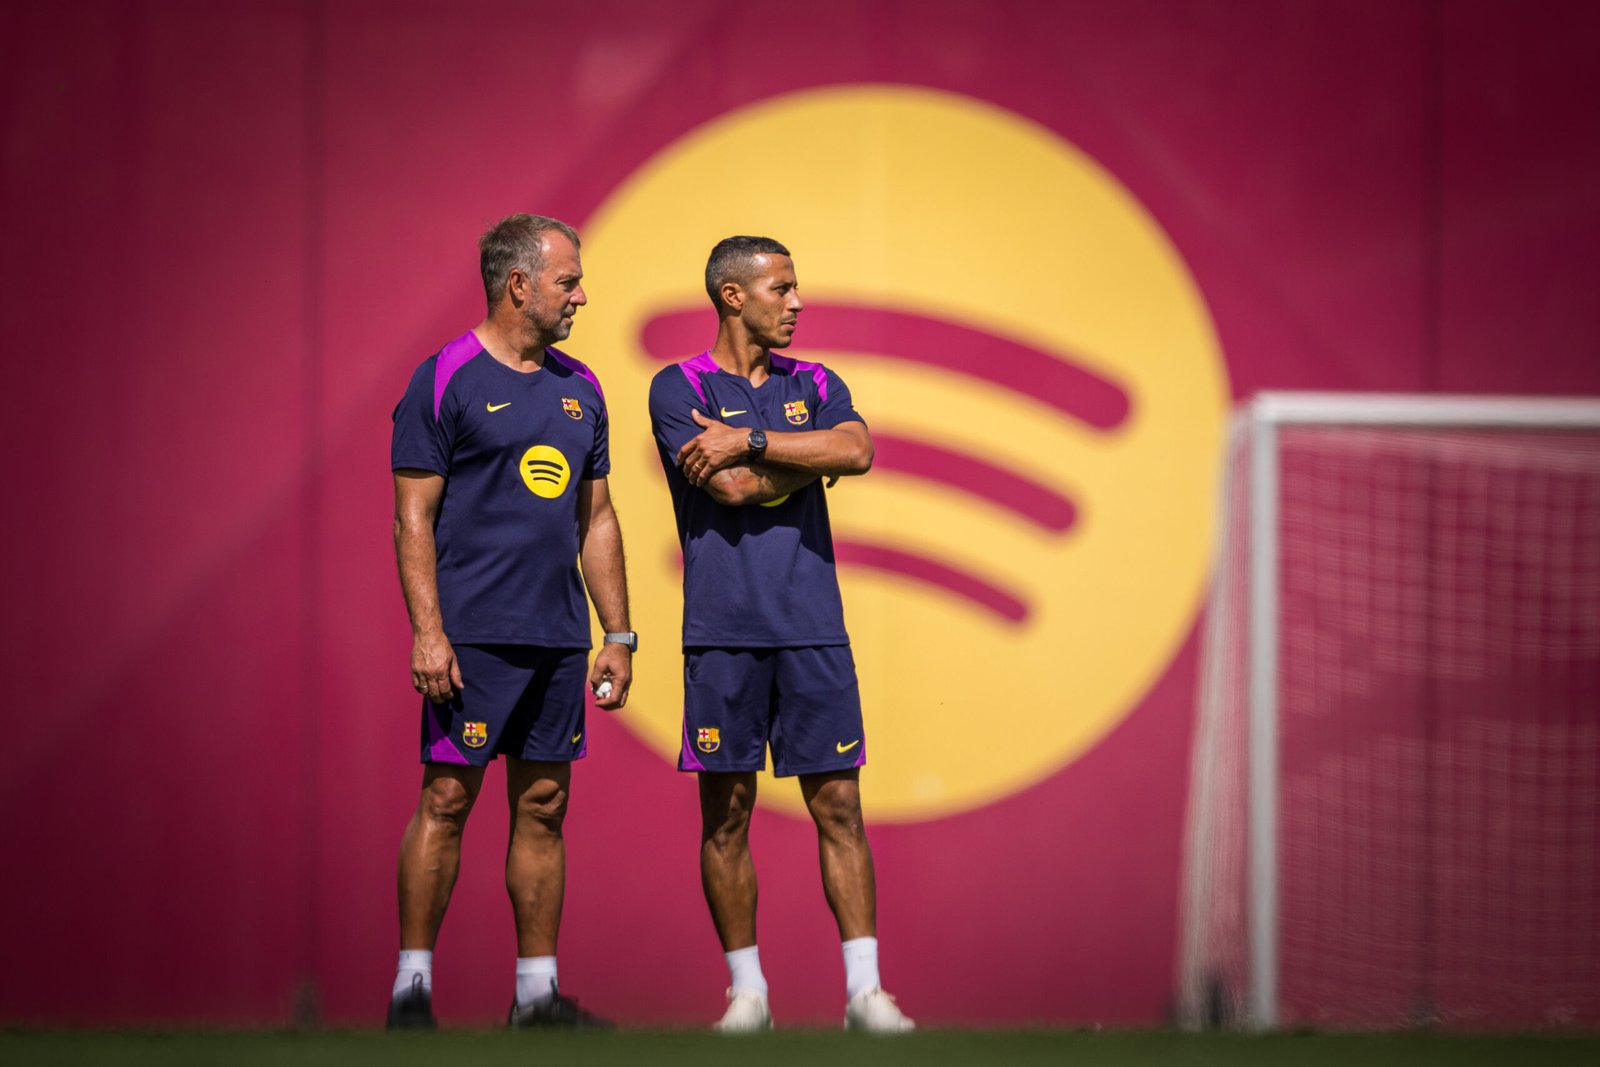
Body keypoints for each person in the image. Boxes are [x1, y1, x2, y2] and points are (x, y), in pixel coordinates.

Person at [646, 236, 914, 1033]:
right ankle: (748, 995)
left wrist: (753, 438)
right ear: (734, 296)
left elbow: (857, 449)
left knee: (841, 807)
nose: (796, 302)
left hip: (812, 627)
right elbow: (728, 489)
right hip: (722, 631)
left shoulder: (817, 381)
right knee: (727, 814)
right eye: (781, 288)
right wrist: (808, 461)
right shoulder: (679, 386)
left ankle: (866, 994)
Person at [386, 213, 635, 1030]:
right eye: (569, 281)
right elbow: (412, 518)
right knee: (446, 799)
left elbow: (597, 518)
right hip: (472, 639)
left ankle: (535, 996)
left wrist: (617, 634)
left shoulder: (583, 387)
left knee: (544, 808)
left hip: (558, 638)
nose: (582, 295)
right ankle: (411, 990)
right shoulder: (443, 379)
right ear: (519, 285)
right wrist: (429, 630)